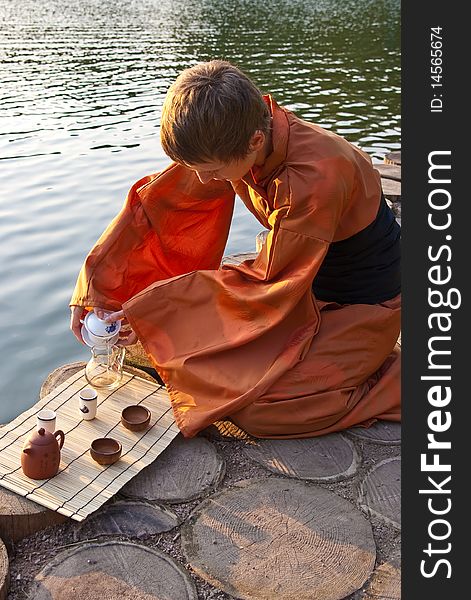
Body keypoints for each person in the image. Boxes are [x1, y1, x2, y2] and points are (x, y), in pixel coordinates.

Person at [70, 60, 401, 439]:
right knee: (194, 360)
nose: (202, 180)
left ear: (255, 141)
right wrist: (100, 290)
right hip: (302, 279)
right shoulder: (237, 134)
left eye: (209, 170)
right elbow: (161, 208)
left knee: (261, 408)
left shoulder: (310, 180)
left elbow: (272, 284)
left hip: (358, 303)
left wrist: (154, 313)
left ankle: (396, 377)